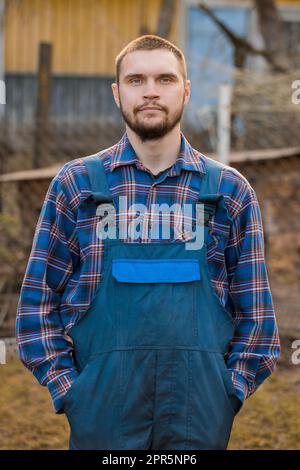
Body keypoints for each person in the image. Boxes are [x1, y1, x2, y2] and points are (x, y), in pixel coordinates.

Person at [16, 34, 281, 450]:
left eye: (165, 79)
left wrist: (227, 394)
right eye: (137, 80)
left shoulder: (228, 192)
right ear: (117, 92)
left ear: (186, 90)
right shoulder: (77, 186)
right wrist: (73, 392)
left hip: (199, 419)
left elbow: (259, 325)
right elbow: (35, 311)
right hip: (102, 418)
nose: (151, 91)